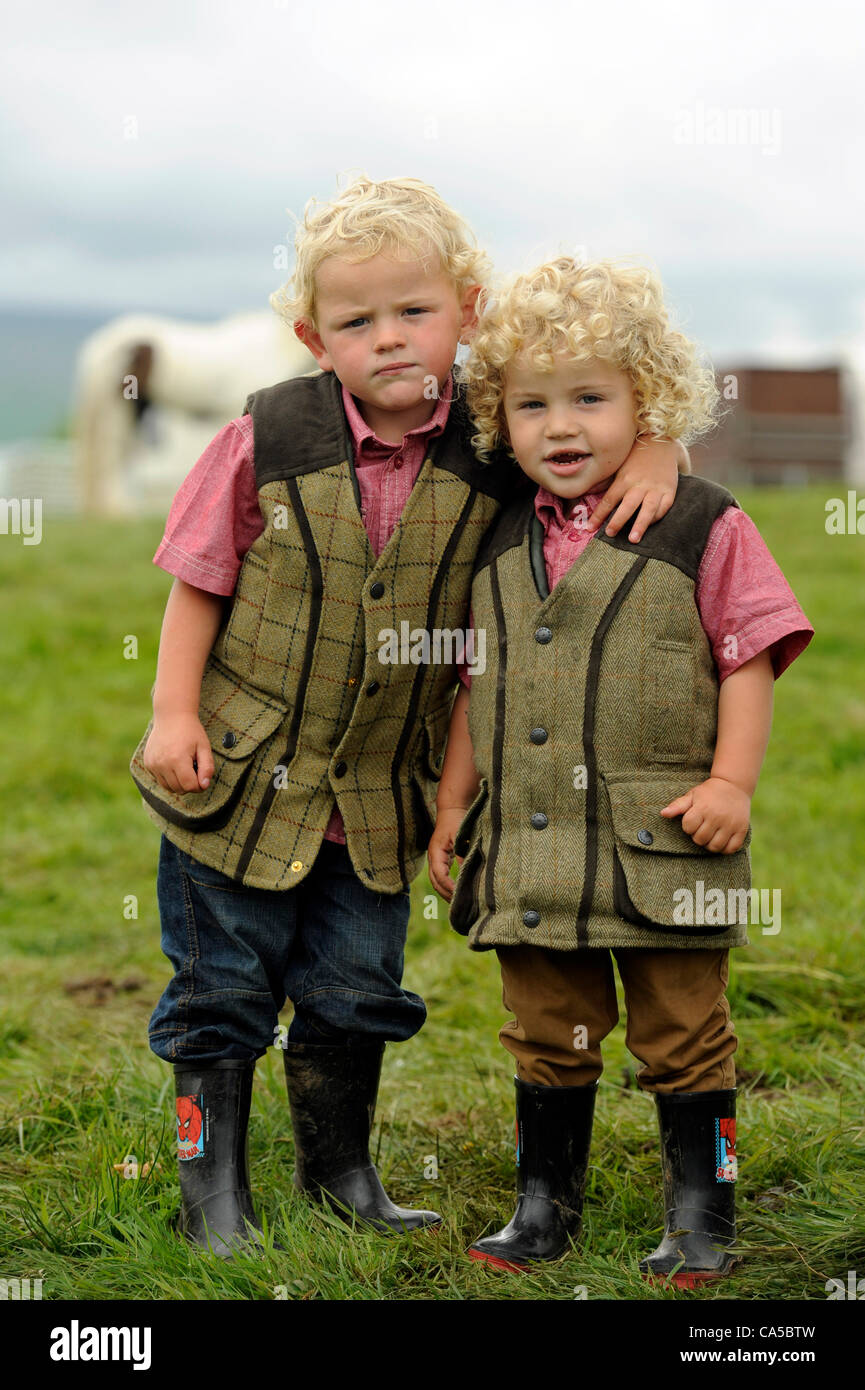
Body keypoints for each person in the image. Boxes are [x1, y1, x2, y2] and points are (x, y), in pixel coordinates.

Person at [130, 180, 688, 1258]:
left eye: (414, 312)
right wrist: (171, 712)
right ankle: (214, 1200)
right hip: (236, 779)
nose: (388, 338)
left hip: (381, 792)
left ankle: (341, 1171)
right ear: (314, 336)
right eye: (355, 321)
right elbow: (196, 578)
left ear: (467, 311)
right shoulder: (267, 434)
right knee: (220, 989)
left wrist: (658, 447)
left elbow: (595, 439)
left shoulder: (495, 444)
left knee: (353, 988)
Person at [429, 256, 813, 1286]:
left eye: (592, 399)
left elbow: (750, 654)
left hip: (665, 841)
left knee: (685, 1032)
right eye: (533, 404)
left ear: (648, 401)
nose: (561, 427)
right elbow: (475, 680)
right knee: (543, 1032)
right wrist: (453, 804)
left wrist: (732, 782)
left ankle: (703, 1213)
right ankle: (542, 1205)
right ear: (497, 417)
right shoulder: (497, 533)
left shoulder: (703, 520)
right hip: (530, 848)